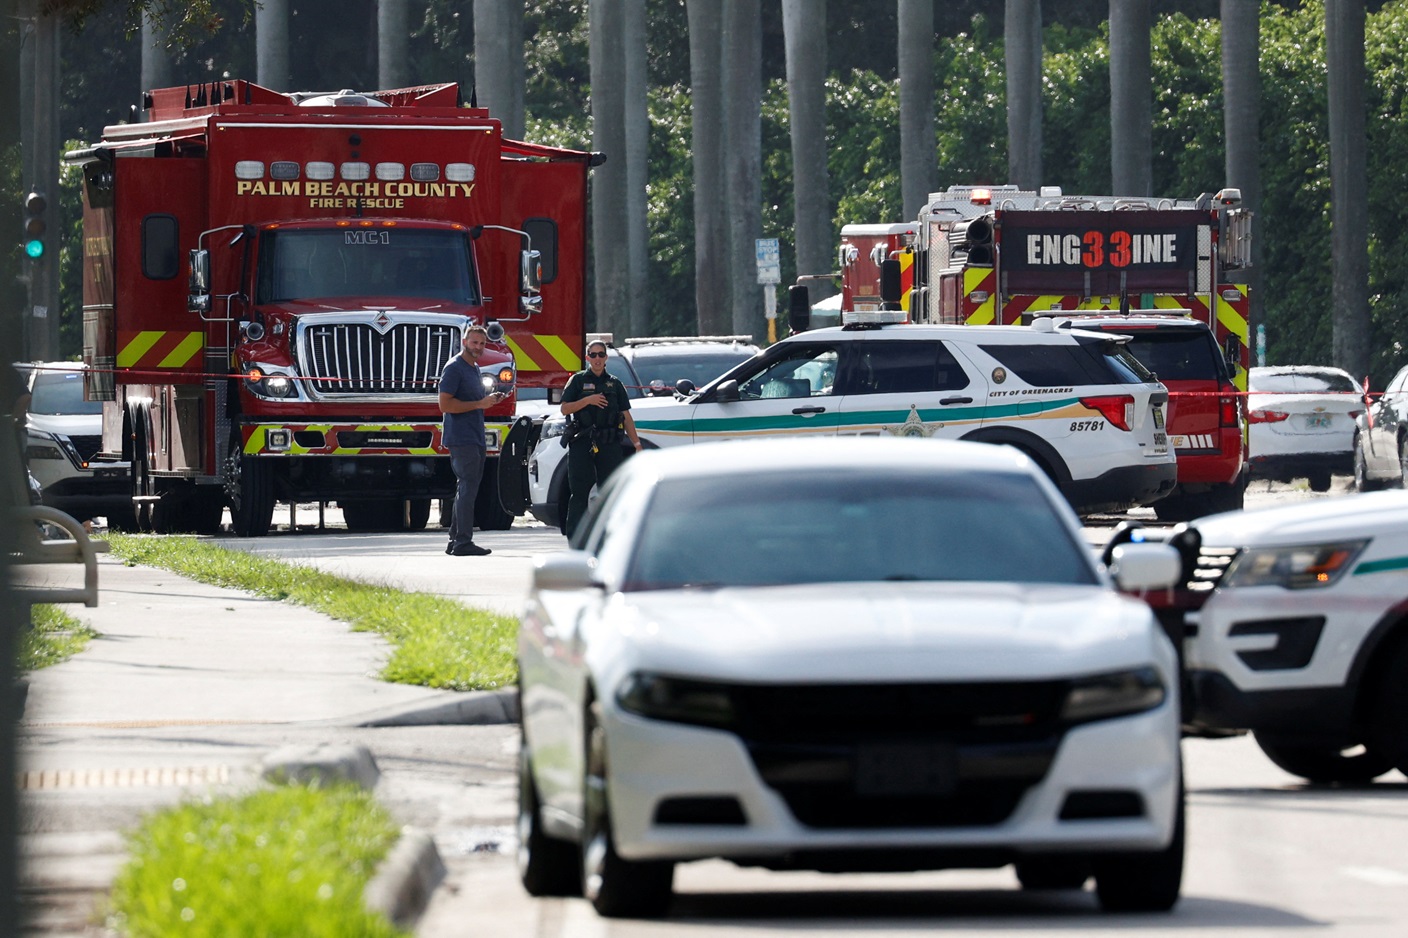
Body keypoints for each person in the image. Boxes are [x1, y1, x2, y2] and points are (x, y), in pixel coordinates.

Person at [560, 339, 642, 539]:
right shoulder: (578, 381)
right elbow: (565, 408)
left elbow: (627, 416)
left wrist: (637, 444)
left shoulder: (615, 384)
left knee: (611, 490)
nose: (597, 359)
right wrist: (588, 400)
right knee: (579, 490)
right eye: (593, 355)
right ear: (587, 357)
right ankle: (576, 537)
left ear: (606, 358)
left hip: (609, 441)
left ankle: (610, 536)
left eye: (601, 354)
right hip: (583, 440)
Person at [438, 324, 506, 556]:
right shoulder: (454, 368)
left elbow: (471, 402)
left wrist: (488, 400)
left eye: (482, 344)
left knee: (467, 487)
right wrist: (479, 404)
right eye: (474, 342)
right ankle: (463, 542)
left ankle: (455, 541)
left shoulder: (473, 367)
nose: (478, 347)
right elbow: (445, 405)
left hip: (475, 435)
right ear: (465, 342)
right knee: (467, 487)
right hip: (461, 437)